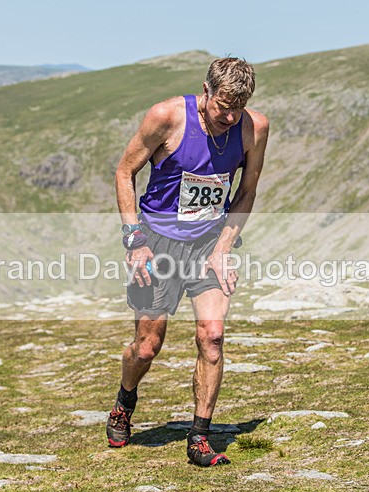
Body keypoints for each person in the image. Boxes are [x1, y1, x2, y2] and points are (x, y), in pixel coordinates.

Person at [106, 57, 269, 467]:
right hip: (157, 243)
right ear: (206, 90)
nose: (229, 117)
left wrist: (223, 248)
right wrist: (134, 239)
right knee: (147, 348)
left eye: (238, 107)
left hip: (208, 244)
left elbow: (247, 191)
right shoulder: (167, 117)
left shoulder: (254, 128)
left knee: (212, 336)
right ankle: (125, 401)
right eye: (223, 106)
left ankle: (199, 437)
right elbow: (125, 172)